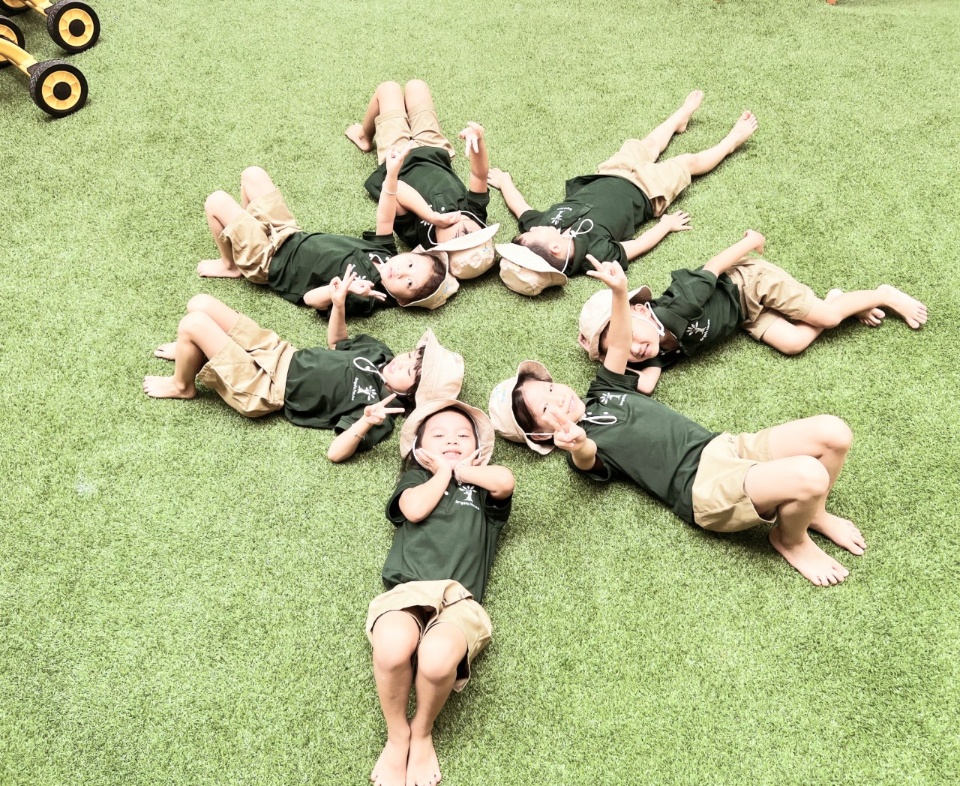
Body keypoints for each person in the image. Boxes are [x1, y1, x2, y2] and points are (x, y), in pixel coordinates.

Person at [489, 256, 865, 586]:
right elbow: (587, 458)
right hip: (703, 488)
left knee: (833, 433)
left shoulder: (604, 389)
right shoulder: (581, 443)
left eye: (550, 388)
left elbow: (618, 344)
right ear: (541, 435)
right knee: (810, 475)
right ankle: (790, 539)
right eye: (545, 409)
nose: (557, 398)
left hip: (724, 446)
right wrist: (577, 443)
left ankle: (814, 513)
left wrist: (619, 292)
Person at [143, 268, 463, 462]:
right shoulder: (380, 353)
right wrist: (338, 304)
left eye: (409, 371)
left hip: (265, 387)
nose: (401, 362)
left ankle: (182, 385)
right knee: (199, 303)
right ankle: (192, 350)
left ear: (410, 396)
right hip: (278, 350)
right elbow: (337, 342)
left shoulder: (380, 410)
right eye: (411, 356)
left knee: (194, 324)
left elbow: (335, 453)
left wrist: (365, 422)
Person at [578, 230, 928, 393]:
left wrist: (750, 241)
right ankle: (841, 301)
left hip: (749, 283)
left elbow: (714, 267)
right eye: (623, 349)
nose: (635, 347)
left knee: (828, 319)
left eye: (628, 335)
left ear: (640, 310)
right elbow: (647, 385)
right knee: (794, 343)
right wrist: (612, 360)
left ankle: (882, 294)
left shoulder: (677, 306)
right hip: (743, 317)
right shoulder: (649, 354)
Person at [367, 399, 514, 786]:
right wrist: (443, 473)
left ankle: (421, 731)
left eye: (463, 435)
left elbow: (505, 481)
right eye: (439, 435)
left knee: (435, 662)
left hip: (460, 600)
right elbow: (413, 510)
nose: (452, 440)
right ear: (420, 449)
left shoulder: (482, 489)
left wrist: (462, 471)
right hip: (408, 590)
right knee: (392, 647)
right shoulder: (416, 480)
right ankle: (397, 735)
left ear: (478, 448)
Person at [488, 91, 758, 296]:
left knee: (647, 144)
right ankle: (731, 142)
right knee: (688, 162)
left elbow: (520, 208)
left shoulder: (540, 226)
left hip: (609, 174)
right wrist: (666, 225)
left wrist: (504, 181)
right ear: (555, 248)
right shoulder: (593, 256)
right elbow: (637, 246)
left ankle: (680, 117)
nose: (534, 227)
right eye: (534, 233)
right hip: (647, 191)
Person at [196, 144, 458, 314]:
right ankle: (245, 233)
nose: (401, 272)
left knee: (216, 201)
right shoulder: (386, 255)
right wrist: (391, 174)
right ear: (411, 253)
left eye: (409, 283)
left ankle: (231, 265)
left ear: (402, 301)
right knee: (252, 175)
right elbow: (385, 215)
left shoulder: (367, 295)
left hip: (270, 262)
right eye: (410, 264)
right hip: (289, 233)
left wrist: (343, 291)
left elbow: (310, 299)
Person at [346, 79, 500, 280]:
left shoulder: (416, 233)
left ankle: (364, 137)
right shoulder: (474, 213)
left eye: (457, 235)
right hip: (433, 149)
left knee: (387, 89)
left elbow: (397, 188)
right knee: (416, 86)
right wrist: (478, 139)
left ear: (437, 249)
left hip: (398, 155)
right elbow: (479, 174)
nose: (462, 224)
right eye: (475, 232)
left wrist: (430, 216)